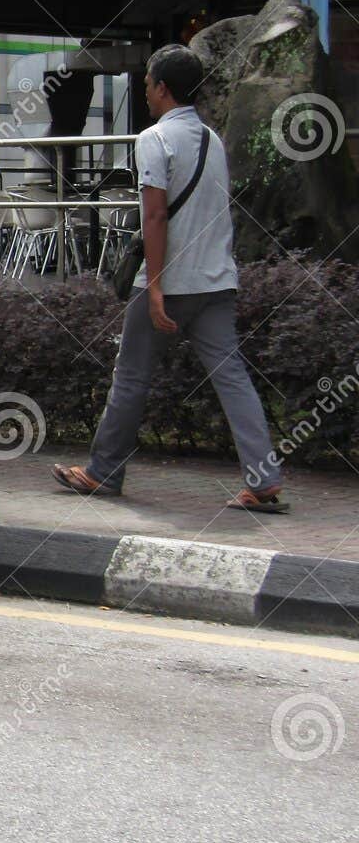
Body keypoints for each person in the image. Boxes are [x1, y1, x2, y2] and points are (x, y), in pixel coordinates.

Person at [52, 45, 287, 513]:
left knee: (132, 375)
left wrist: (155, 285)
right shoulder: (212, 141)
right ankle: (264, 481)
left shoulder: (153, 139)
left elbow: (155, 216)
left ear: (162, 87)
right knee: (233, 379)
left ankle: (102, 473)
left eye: (146, 85)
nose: (145, 93)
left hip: (169, 282)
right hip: (217, 282)